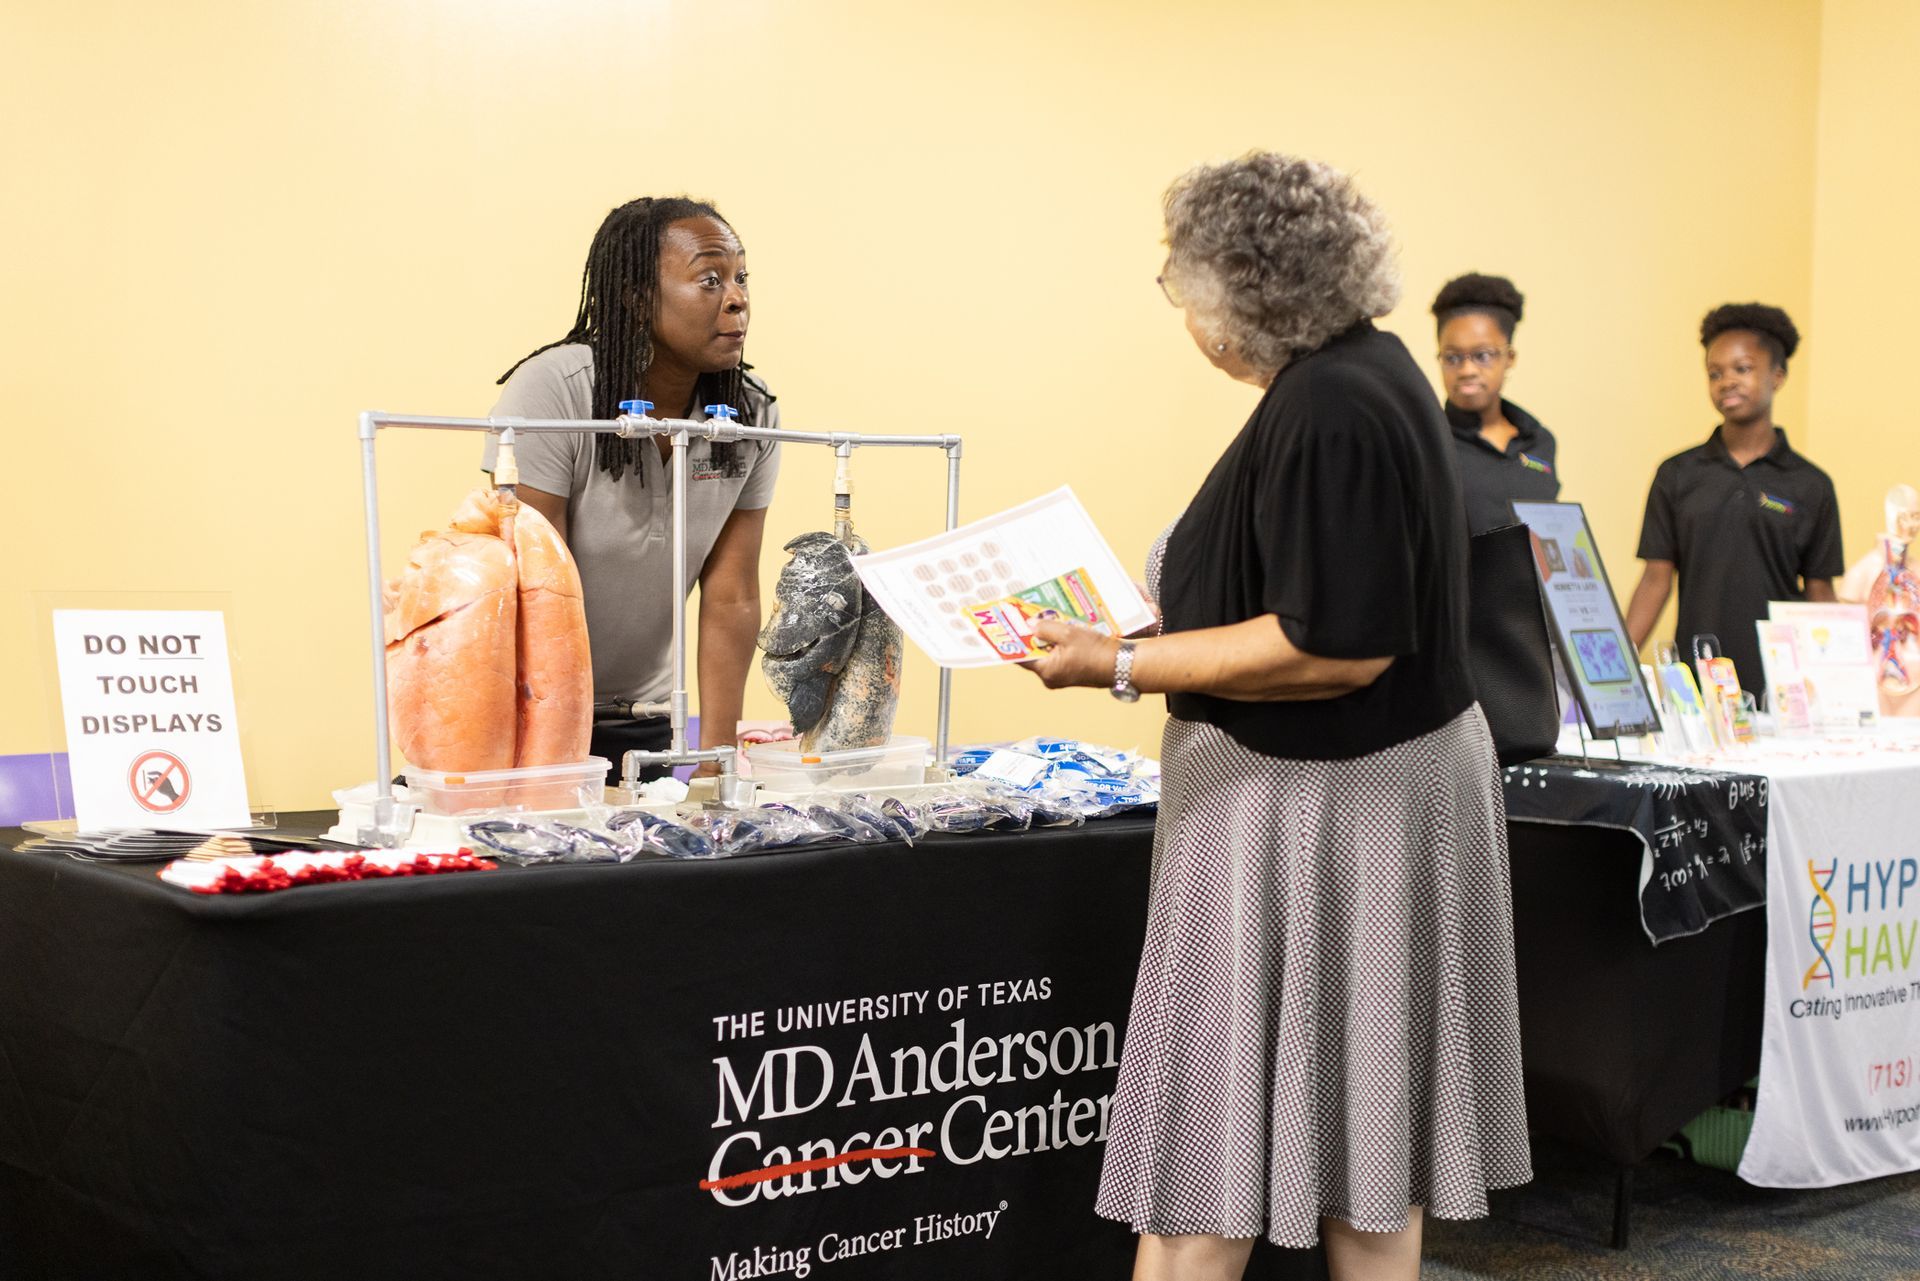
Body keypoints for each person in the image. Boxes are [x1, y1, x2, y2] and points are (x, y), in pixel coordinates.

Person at [1022, 153, 1530, 1281]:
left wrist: (1121, 661)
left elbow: (1334, 644)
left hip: (1318, 811)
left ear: (1240, 287)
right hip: (1364, 796)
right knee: (1369, 1163)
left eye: (1181, 284)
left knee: (1206, 1175)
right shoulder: (1365, 370)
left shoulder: (1332, 404)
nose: (1181, 312)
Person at [483, 197, 779, 777]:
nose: (738, 298)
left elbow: (733, 596)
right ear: (637, 297)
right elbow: (538, 588)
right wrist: (558, 759)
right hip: (530, 720)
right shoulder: (554, 394)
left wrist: (714, 767)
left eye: (742, 278)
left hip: (648, 720)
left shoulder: (749, 411)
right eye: (710, 280)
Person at [1624, 304, 1842, 698]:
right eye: (1715, 372)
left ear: (1777, 376)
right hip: (1698, 688)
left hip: (1784, 689)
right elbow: (1656, 579)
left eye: (1742, 369)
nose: (1726, 381)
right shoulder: (1677, 474)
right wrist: (1614, 671)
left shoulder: (1812, 485)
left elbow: (1819, 591)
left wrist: (1836, 683)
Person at [1431, 273, 1560, 534]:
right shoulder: (1431, 443)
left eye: (1482, 355)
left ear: (1509, 357)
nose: (1467, 369)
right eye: (1452, 357)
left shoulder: (1540, 442)